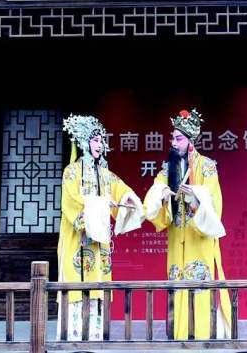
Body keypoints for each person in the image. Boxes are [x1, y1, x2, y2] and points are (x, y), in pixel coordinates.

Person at [143, 108, 231, 339]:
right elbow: (156, 188)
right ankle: (179, 333)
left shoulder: (207, 166)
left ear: (191, 141)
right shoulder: (168, 167)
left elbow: (214, 202)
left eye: (179, 138)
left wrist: (196, 198)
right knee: (177, 281)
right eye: (172, 138)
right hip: (177, 238)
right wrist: (161, 194)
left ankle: (202, 334)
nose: (174, 143)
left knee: (199, 283)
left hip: (198, 237)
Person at [58, 114, 144, 340]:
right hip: (77, 240)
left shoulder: (106, 175)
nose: (100, 145)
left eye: (101, 140)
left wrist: (128, 199)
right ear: (84, 142)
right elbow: (71, 202)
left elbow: (120, 189)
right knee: (76, 284)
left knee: (98, 284)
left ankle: (96, 335)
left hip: (99, 243)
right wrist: (99, 206)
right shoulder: (71, 172)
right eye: (95, 140)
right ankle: (73, 336)